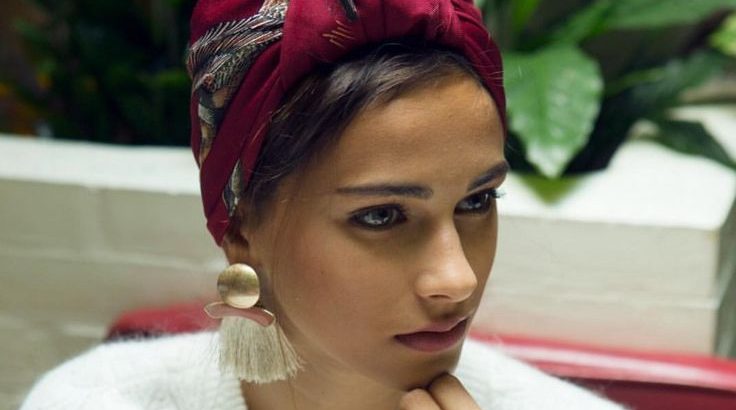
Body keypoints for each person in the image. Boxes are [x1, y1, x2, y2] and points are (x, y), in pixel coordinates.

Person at [21, 0, 626, 409]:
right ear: (242, 227)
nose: (458, 279)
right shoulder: (95, 399)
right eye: (381, 215)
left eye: (477, 200)